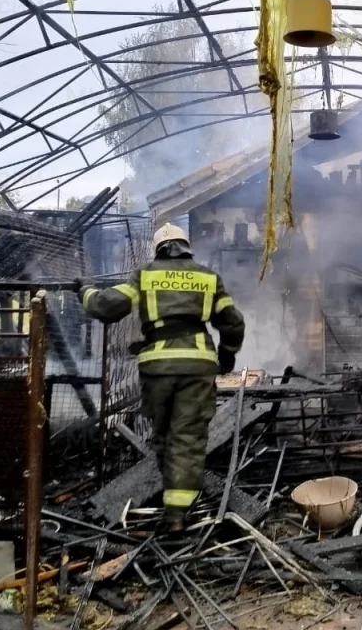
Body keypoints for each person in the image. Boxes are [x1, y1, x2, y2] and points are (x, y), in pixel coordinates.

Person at [76, 223, 244, 531]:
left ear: (158, 249)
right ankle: (176, 513)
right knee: (187, 436)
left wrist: (84, 290)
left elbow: (106, 307)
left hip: (157, 369)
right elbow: (233, 322)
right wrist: (228, 355)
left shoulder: (145, 275)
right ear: (186, 245)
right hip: (197, 367)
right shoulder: (207, 277)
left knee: (164, 434)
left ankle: (173, 498)